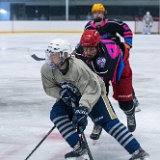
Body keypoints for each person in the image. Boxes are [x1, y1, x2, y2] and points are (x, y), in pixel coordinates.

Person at [41, 38, 149, 160]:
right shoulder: (47, 69)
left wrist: (83, 108)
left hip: (95, 94)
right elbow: (49, 87)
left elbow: (91, 90)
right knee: (57, 114)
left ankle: (138, 152)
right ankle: (79, 148)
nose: (50, 57)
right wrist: (62, 93)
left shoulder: (78, 68)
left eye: (54, 54)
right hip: (72, 97)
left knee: (108, 122)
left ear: (64, 55)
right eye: (50, 53)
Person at [76, 3, 141, 140]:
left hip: (117, 62)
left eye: (100, 12)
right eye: (95, 12)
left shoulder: (112, 23)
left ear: (104, 13)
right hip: (98, 61)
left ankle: (129, 110)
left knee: (124, 99)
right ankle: (99, 121)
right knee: (97, 95)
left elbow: (126, 30)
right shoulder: (89, 28)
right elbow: (84, 44)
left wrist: (127, 44)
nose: (97, 14)